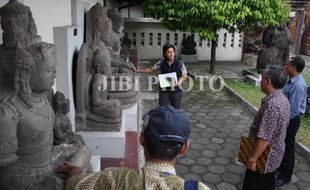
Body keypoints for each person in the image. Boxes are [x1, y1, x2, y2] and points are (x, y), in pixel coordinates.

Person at [56, 106, 210, 190]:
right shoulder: (198, 188)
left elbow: (74, 185)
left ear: (141, 138)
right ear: (184, 148)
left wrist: (75, 169)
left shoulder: (115, 178)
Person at [242, 65, 290, 190]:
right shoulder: (282, 98)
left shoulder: (272, 106)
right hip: (274, 155)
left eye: (262, 78)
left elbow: (264, 138)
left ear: (268, 82)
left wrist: (252, 159)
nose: (261, 80)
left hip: (264, 158)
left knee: (255, 185)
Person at [275, 56, 307, 187]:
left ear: (293, 68)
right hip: (286, 117)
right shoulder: (291, 80)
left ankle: (285, 176)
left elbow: (293, 111)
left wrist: (283, 123)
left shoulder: (298, 85)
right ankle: (280, 168)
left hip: (291, 120)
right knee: (282, 144)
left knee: (288, 147)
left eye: (287, 65)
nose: (285, 67)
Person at [134, 44, 188, 109]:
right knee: (163, 109)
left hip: (176, 91)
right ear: (165, 54)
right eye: (169, 52)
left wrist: (178, 83)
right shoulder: (161, 62)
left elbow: (184, 75)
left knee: (176, 109)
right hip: (164, 90)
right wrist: (137, 70)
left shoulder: (180, 63)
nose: (171, 54)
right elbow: (151, 69)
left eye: (173, 52)